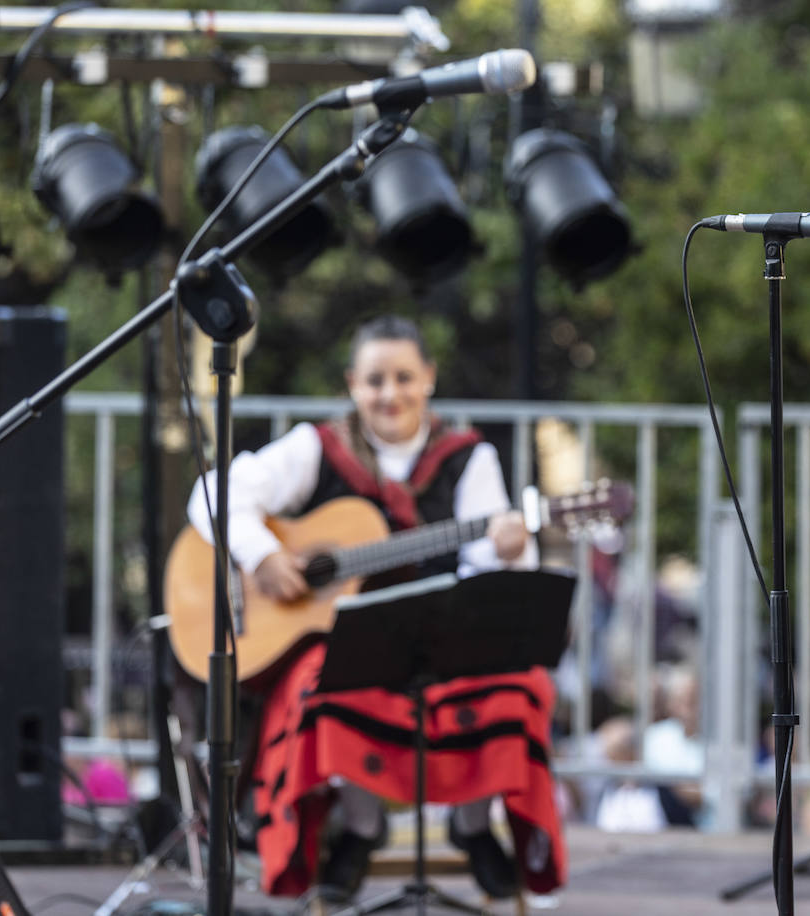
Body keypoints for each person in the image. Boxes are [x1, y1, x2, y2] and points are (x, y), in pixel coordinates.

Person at [184, 314, 565, 912]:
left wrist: (513, 547)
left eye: (404, 378)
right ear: (352, 384)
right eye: (375, 380)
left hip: (443, 642)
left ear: (429, 379)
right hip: (345, 645)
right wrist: (260, 557)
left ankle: (473, 825)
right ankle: (360, 828)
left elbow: (491, 570)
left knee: (520, 685)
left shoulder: (469, 459)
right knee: (319, 685)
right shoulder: (317, 448)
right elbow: (210, 498)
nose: (390, 394)